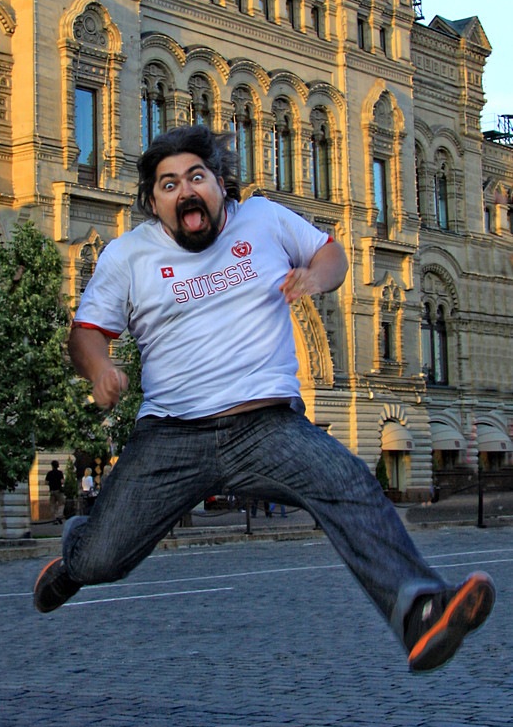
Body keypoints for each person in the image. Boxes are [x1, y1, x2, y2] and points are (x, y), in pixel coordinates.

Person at [33, 125, 495, 673]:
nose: (185, 191)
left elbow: (331, 253)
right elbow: (86, 334)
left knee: (347, 480)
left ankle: (418, 611)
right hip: (171, 435)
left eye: (196, 177)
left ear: (220, 184)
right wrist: (100, 368)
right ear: (153, 203)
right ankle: (77, 556)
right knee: (104, 560)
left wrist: (315, 277)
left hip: (267, 428)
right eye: (168, 184)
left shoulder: (264, 219)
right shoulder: (128, 255)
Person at [44, 460, 65, 524]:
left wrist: (51, 483)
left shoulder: (49, 473)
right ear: (58, 466)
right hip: (58, 491)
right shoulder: (60, 473)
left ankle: (54, 519)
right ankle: (59, 515)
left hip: (52, 491)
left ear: (52, 466)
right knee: (61, 504)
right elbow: (62, 481)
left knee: (52, 505)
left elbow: (46, 482)